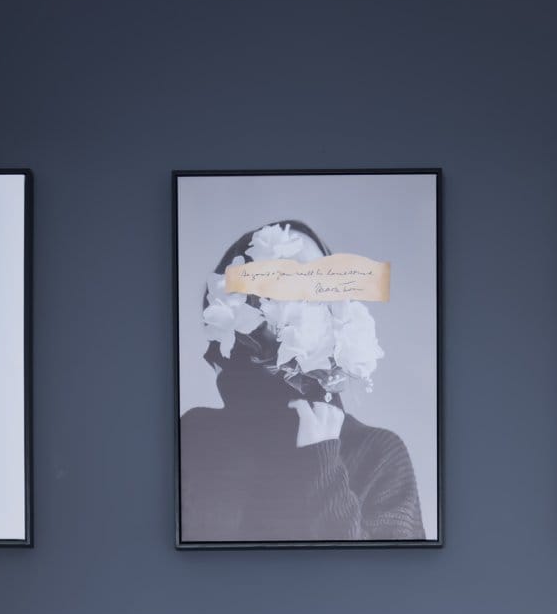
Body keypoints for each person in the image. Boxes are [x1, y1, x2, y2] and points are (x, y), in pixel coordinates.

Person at [180, 219, 424, 544]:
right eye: (280, 280)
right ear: (237, 304)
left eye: (318, 281)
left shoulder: (378, 453)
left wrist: (323, 465)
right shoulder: (197, 436)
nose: (302, 295)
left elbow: (388, 574)